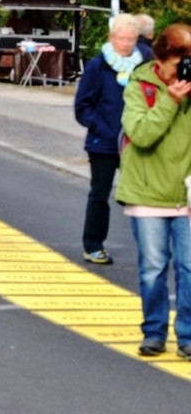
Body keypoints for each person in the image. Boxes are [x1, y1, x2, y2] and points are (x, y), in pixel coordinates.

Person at [116, 22, 191, 359]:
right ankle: (155, 332)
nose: (185, 69)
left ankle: (188, 336)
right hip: (146, 194)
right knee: (153, 268)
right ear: (161, 59)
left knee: (189, 268)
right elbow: (141, 134)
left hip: (186, 192)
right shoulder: (139, 85)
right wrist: (170, 101)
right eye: (180, 62)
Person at [73, 13, 143, 265]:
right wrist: (105, 129)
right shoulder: (97, 66)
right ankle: (93, 245)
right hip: (103, 143)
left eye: (131, 39)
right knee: (100, 195)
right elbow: (82, 106)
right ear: (112, 37)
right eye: (122, 38)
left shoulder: (144, 63)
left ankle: (149, 246)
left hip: (138, 143)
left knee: (142, 196)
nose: (126, 43)